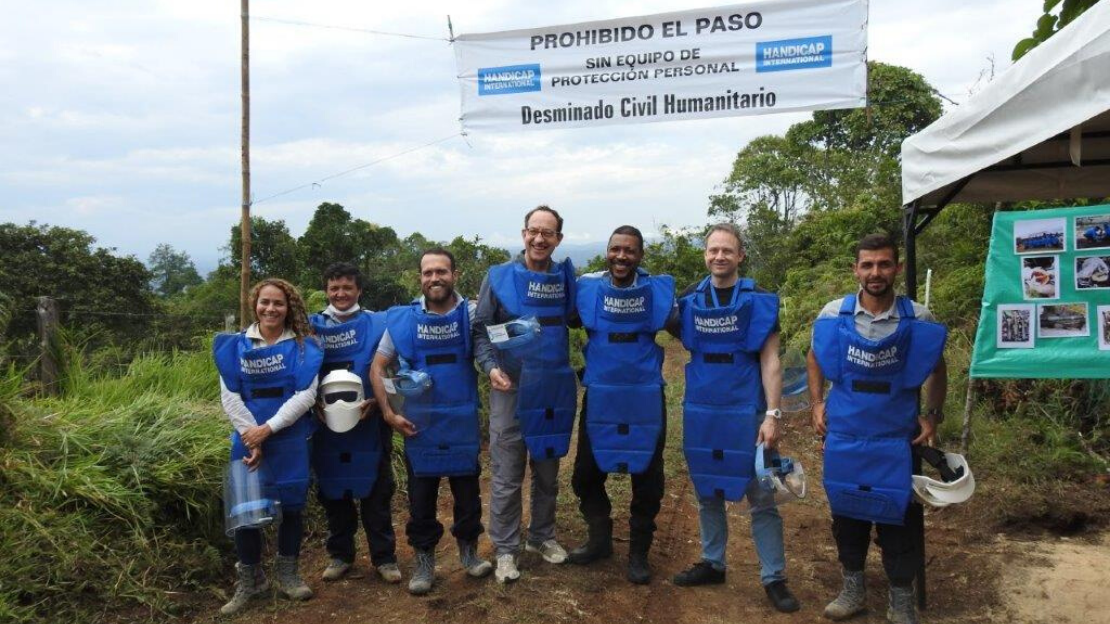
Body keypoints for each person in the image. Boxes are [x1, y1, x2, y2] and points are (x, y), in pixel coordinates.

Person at [806, 233, 948, 624]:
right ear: (856, 269)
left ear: (897, 268)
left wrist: (932, 415)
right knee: (847, 512)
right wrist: (818, 403)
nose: (875, 272)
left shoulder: (918, 319)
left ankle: (901, 599)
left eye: (884, 264)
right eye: (867, 265)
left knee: (898, 517)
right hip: (845, 434)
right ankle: (853, 589)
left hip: (895, 438)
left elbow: (937, 368)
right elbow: (815, 357)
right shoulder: (834, 315)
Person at [665, 223, 800, 613]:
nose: (719, 257)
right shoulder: (690, 299)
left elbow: (771, 359)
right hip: (703, 408)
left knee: (761, 496)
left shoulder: (758, 299)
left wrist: (773, 414)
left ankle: (774, 578)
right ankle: (712, 562)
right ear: (705, 255)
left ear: (740, 255)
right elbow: (678, 332)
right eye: (713, 251)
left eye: (727, 251)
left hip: (748, 408)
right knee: (707, 488)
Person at [369, 249, 493, 595]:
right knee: (421, 497)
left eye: (441, 271)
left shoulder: (470, 314)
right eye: (427, 273)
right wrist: (389, 412)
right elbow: (377, 367)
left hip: (461, 418)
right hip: (418, 424)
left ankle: (469, 551)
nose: (434, 278)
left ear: (455, 273)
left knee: (467, 492)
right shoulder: (404, 320)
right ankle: (424, 560)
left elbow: (492, 343)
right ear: (419, 277)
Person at [472, 205, 576, 583]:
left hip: (552, 386)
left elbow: (581, 318)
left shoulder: (566, 278)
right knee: (506, 473)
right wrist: (491, 368)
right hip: (510, 389)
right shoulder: (498, 277)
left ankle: (542, 537)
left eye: (548, 233)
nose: (539, 238)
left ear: (558, 240)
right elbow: (481, 329)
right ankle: (505, 550)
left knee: (547, 469)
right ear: (523, 234)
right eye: (534, 231)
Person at [568, 225, 675, 585]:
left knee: (648, 479)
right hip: (601, 393)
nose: (621, 256)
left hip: (645, 394)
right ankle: (600, 539)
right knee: (585, 475)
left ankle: (639, 554)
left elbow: (687, 324)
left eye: (629, 251)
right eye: (616, 249)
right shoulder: (587, 290)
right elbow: (555, 314)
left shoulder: (657, 293)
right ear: (607, 252)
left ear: (640, 256)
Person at [213, 278, 323, 615]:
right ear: (254, 305)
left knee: (291, 507)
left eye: (278, 303)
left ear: (289, 307)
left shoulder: (305, 347)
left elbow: (306, 394)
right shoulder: (234, 347)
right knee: (246, 510)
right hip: (247, 440)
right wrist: (251, 435)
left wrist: (268, 430)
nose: (271, 309)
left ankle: (288, 575)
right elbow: (229, 396)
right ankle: (251, 579)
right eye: (265, 302)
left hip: (288, 437)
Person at [308, 262, 400, 585]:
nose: (341, 293)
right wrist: (311, 404)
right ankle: (340, 555)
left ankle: (384, 558)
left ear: (359, 290)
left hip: (370, 422)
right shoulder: (311, 327)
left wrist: (381, 400)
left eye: (347, 287)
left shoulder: (380, 323)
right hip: (325, 424)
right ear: (326, 291)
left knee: (377, 489)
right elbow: (299, 371)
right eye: (334, 288)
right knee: (334, 490)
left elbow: (395, 367)